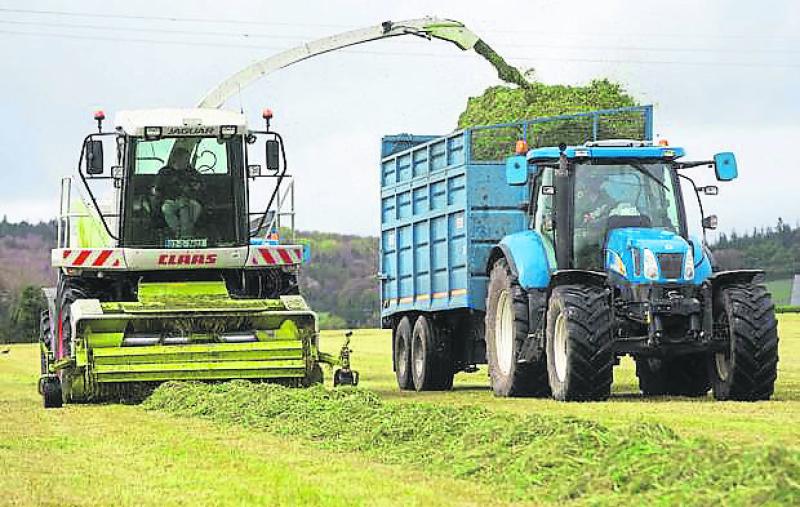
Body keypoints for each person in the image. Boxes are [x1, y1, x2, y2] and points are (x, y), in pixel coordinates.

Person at [154, 146, 204, 237]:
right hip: (170, 201)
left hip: (189, 200)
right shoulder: (164, 172)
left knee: (197, 207)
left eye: (188, 159)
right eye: (185, 159)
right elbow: (157, 188)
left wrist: (195, 187)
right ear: (176, 159)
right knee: (166, 208)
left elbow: (199, 185)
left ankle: (185, 232)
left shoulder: (191, 172)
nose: (187, 161)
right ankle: (179, 231)